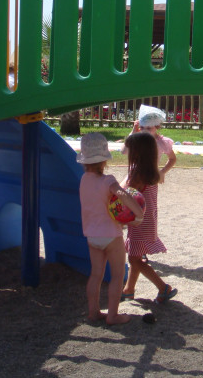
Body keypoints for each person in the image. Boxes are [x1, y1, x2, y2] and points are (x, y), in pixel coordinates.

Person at [77, 132, 144, 325]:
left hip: (92, 236)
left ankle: (93, 312)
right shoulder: (108, 181)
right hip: (111, 235)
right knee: (117, 275)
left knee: (96, 275)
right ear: (104, 161)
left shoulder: (83, 180)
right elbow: (123, 195)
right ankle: (113, 315)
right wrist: (138, 213)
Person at [121, 131, 178, 304]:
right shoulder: (152, 172)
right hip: (148, 220)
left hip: (139, 222)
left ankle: (163, 287)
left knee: (133, 259)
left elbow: (125, 194)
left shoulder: (136, 174)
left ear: (137, 153)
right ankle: (129, 289)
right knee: (136, 256)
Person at [126, 104, 177, 183]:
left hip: (151, 177)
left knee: (149, 192)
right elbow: (125, 149)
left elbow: (172, 158)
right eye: (142, 127)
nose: (145, 131)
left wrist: (162, 172)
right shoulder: (138, 139)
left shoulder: (161, 142)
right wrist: (133, 131)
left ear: (157, 126)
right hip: (134, 176)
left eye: (149, 128)